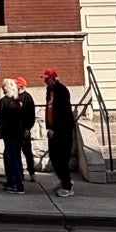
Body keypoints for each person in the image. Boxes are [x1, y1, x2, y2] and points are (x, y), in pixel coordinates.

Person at [43, 68, 77, 197]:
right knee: (54, 157)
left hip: (63, 131)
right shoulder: (49, 91)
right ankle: (65, 181)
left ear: (53, 78)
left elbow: (62, 113)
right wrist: (48, 127)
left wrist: (54, 129)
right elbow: (49, 110)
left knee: (62, 158)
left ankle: (68, 186)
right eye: (45, 79)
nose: (45, 81)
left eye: (47, 79)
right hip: (53, 130)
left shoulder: (62, 91)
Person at [0, 78, 29, 192]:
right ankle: (12, 181)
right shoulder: (18, 102)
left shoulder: (4, 101)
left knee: (11, 158)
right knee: (13, 157)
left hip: (8, 133)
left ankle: (18, 185)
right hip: (18, 133)